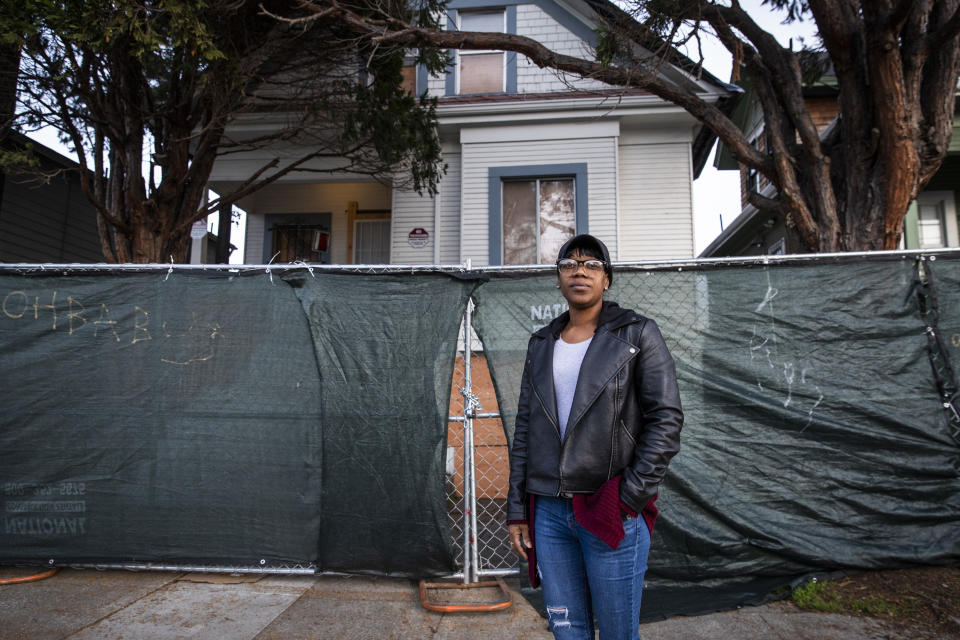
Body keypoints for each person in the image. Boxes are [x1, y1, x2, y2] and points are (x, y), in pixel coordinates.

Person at [506, 234, 683, 640]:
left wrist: (630, 496)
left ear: (607, 280)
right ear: (558, 280)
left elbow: (667, 419)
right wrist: (518, 509)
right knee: (569, 632)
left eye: (592, 264)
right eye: (569, 264)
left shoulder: (637, 334)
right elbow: (525, 430)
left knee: (619, 633)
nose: (579, 270)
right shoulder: (541, 343)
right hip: (548, 513)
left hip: (608, 506)